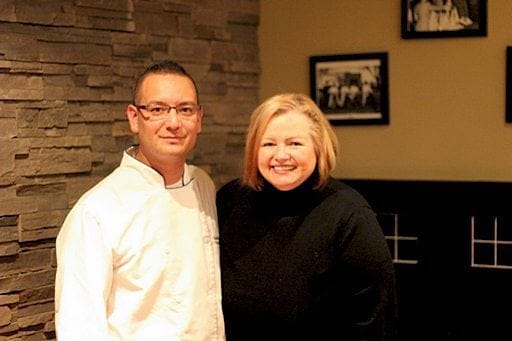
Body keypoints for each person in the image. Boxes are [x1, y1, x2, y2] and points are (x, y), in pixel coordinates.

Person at [54, 60, 225, 340]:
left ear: (199, 119)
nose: (173, 123)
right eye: (157, 110)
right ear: (134, 117)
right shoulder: (96, 212)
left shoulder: (203, 186)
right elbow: (80, 327)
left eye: (185, 110)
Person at [217, 93, 396, 340]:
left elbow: (373, 321)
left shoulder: (349, 215)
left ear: (318, 147)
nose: (280, 155)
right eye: (268, 144)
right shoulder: (231, 200)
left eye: (294, 144)